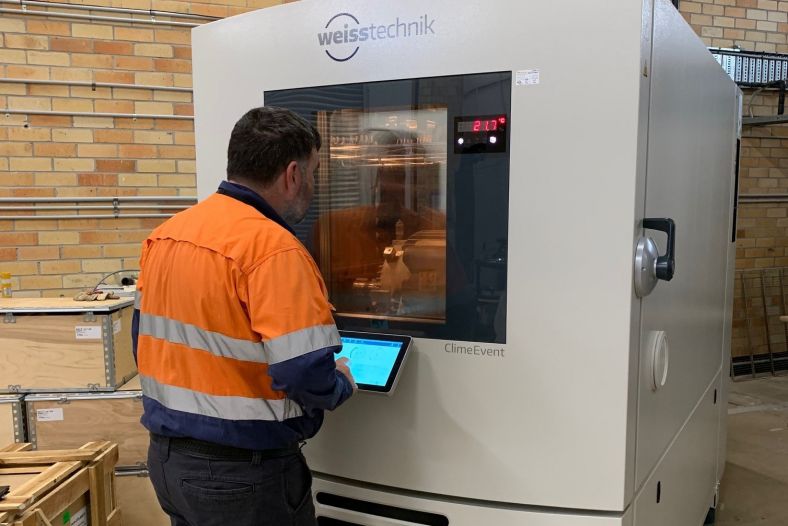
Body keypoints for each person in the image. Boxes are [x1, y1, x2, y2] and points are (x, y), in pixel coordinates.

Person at [131, 106, 356, 526]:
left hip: (168, 464)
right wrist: (340, 382)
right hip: (242, 477)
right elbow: (304, 372)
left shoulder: (167, 235)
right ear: (293, 174)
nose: (314, 184)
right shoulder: (274, 251)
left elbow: (144, 342)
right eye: (314, 172)